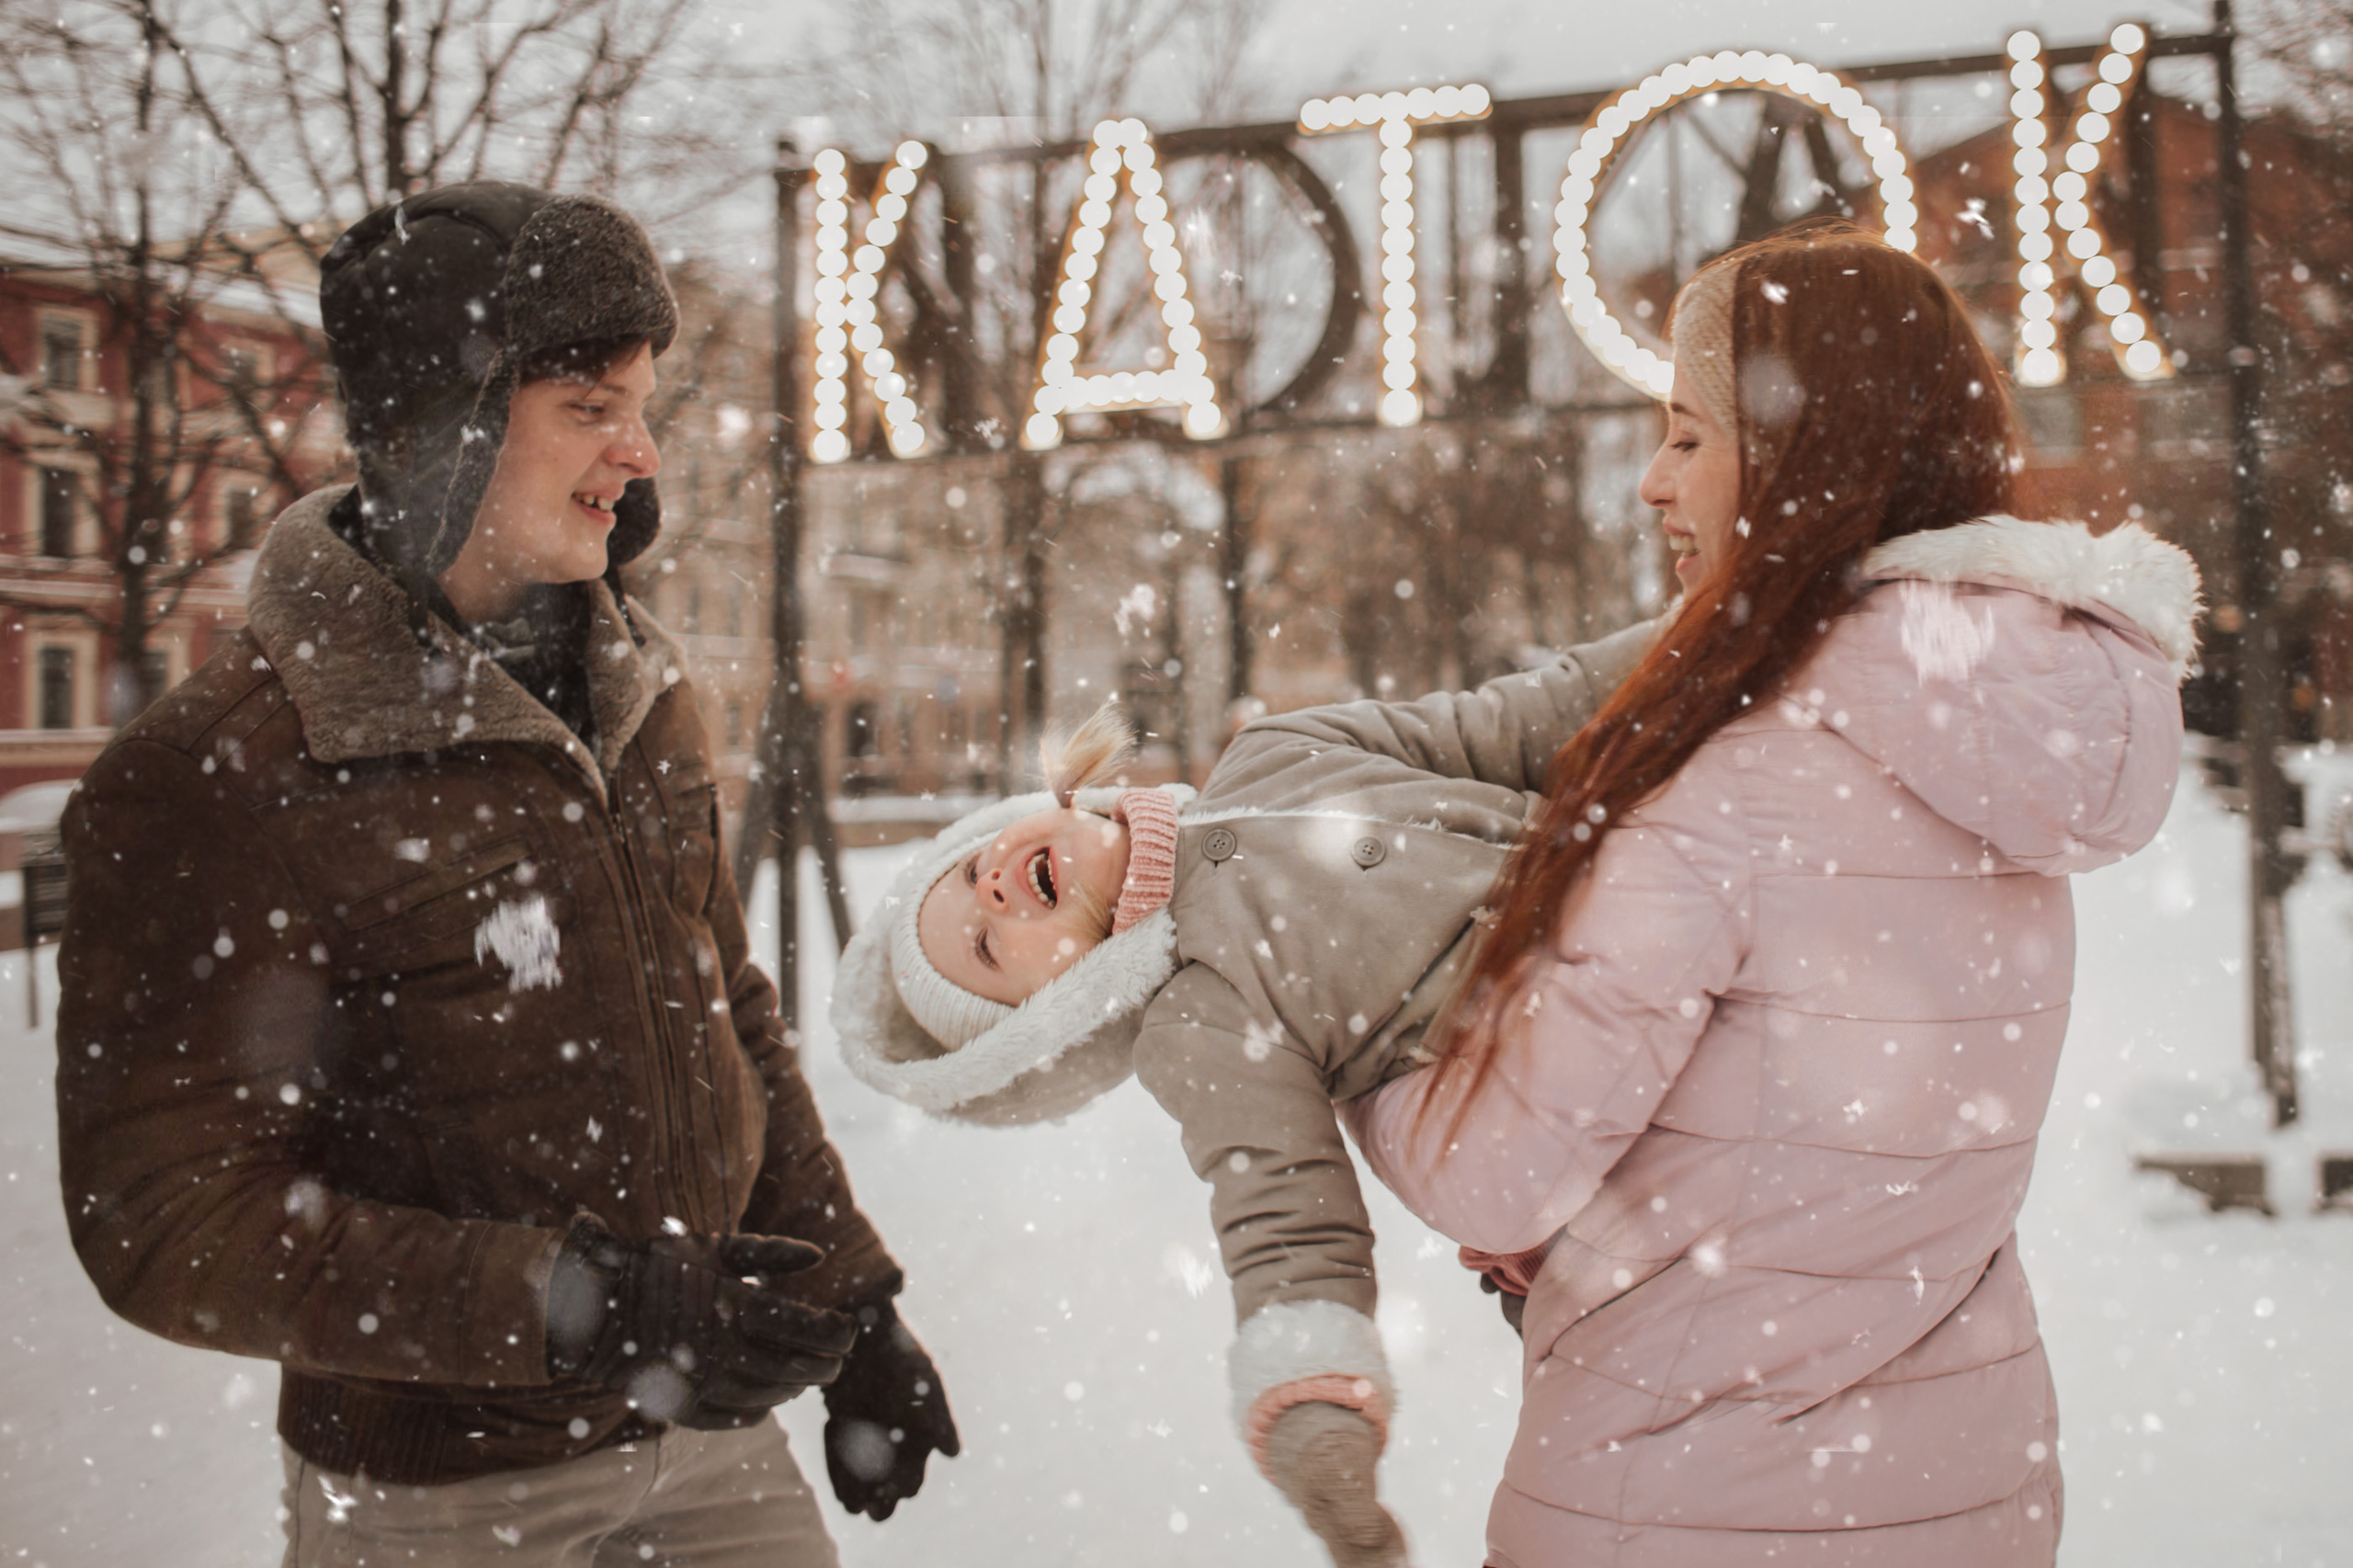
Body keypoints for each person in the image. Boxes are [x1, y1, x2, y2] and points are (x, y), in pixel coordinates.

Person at [54, 181, 956, 1567]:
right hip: (444, 1501)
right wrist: (582, 1304)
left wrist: (855, 1302)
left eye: (639, 404)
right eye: (590, 407)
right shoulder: (221, 770)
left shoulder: (639, 697)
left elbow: (731, 1014)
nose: (639, 452)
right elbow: (168, 1215)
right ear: (442, 435)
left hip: (709, 1446)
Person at [1341, 221, 2200, 1566]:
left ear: (1810, 456)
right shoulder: (2001, 747)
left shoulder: (1736, 787)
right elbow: (1829, 1157)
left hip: (1685, 1503)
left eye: (1688, 435)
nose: (1649, 483)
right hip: (1959, 1491)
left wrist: (1352, 1054)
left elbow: (1494, 1172)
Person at [830, 617, 1652, 1567]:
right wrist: (1311, 1406)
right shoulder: (1200, 1021)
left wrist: (1724, 616)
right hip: (1629, 1149)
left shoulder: (1276, 751)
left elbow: (1515, 723)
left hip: (1685, 910)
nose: (994, 890)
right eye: (982, 946)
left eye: (972, 866)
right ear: (1042, 1014)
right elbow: (1281, 1205)